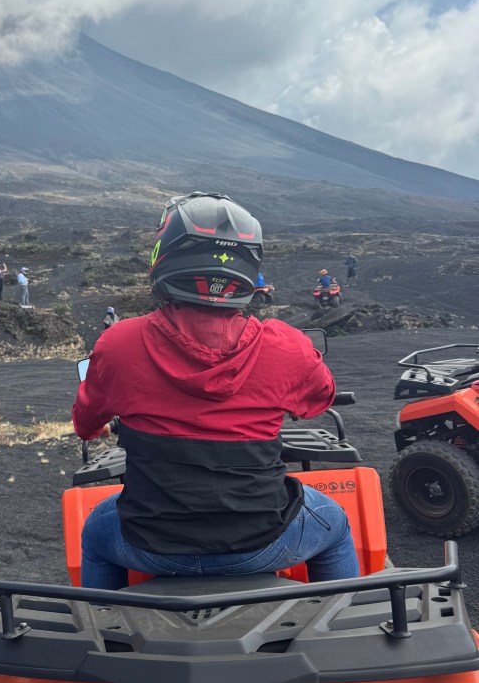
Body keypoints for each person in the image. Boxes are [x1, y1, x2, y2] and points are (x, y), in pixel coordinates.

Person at [73, 191, 359, 590]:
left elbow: (85, 424)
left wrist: (102, 426)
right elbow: (320, 398)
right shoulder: (287, 344)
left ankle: (103, 630)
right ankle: (343, 625)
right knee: (337, 524)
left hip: (150, 544)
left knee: (94, 532)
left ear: (165, 255)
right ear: (249, 266)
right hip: (264, 543)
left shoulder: (118, 343)